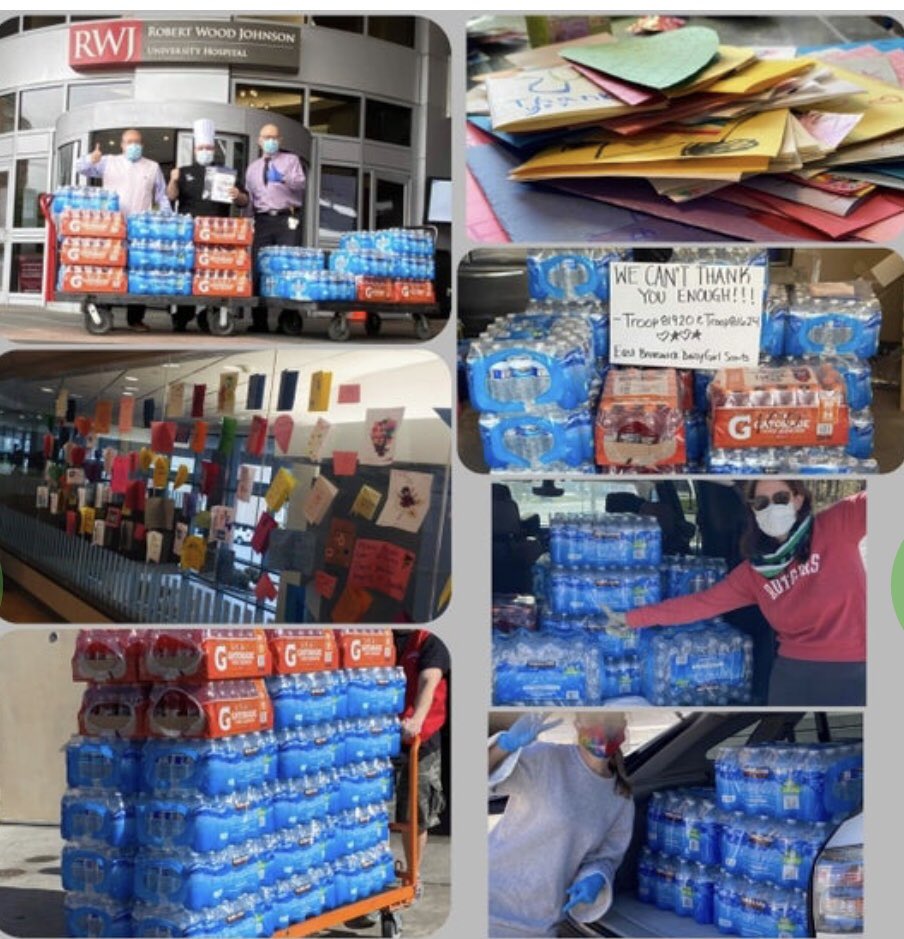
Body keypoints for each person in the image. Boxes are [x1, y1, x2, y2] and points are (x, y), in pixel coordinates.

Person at [622, 480, 866, 706]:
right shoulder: (754, 572)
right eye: (761, 503)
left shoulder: (836, 525)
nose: (772, 508)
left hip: (853, 668)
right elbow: (699, 604)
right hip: (791, 676)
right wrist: (631, 619)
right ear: (753, 511)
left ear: (798, 499)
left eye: (781, 498)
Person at [488, 712, 634, 938]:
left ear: (623, 725)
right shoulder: (546, 758)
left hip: (540, 920)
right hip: (490, 901)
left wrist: (594, 878)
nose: (602, 728)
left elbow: (606, 857)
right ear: (577, 724)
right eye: (594, 719)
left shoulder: (621, 798)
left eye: (610, 721)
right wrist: (504, 745)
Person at [76, 129, 172, 332]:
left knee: (139, 271)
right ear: (122, 145)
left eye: (137, 142)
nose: (133, 146)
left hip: (141, 229)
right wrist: (90, 159)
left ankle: (135, 319)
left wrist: (166, 219)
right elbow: (80, 169)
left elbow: (162, 197)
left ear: (142, 144)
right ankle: (103, 311)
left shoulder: (152, 167)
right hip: (111, 226)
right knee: (109, 269)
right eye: (129, 142)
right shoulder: (109, 161)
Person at [166, 119, 249, 332]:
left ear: (214, 149)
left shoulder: (226, 173)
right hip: (190, 234)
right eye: (201, 148)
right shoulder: (183, 172)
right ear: (195, 150)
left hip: (217, 234)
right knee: (189, 272)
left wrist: (238, 195)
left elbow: (244, 201)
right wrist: (173, 180)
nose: (205, 151)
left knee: (213, 275)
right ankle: (182, 315)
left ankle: (209, 314)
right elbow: (171, 197)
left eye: (209, 148)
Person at [395, 629, 450, 890]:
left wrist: (416, 720)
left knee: (415, 810)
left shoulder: (430, 640)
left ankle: (413, 876)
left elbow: (430, 680)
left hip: (420, 737)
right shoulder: (380, 637)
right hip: (380, 734)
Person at [243, 122, 306, 332]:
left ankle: (288, 318)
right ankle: (258, 321)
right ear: (259, 141)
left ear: (280, 140)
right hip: (262, 220)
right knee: (259, 267)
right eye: (266, 137)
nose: (270, 141)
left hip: (286, 218)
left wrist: (283, 177)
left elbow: (301, 184)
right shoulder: (252, 169)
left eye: (274, 137)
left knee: (287, 267)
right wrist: (247, 219)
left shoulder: (291, 160)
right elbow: (251, 199)